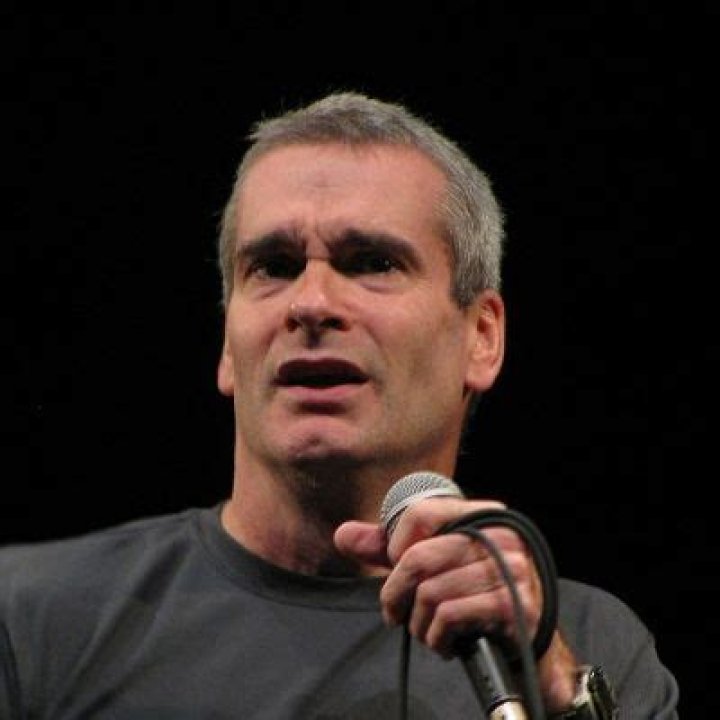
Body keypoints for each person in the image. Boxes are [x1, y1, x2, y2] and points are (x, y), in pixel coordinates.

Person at [0, 91, 678, 719]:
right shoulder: (33, 616)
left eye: (372, 262)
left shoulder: (588, 647)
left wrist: (556, 689)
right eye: (273, 266)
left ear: (482, 336)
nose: (312, 303)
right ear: (228, 344)